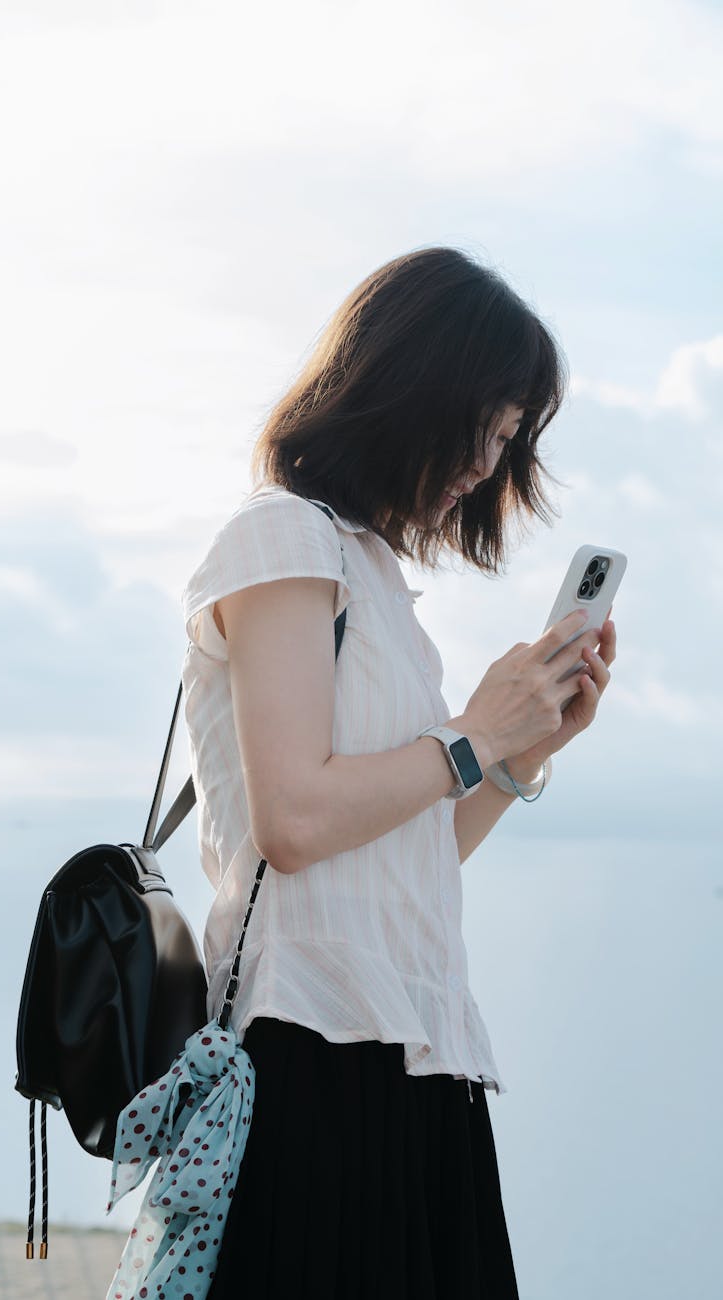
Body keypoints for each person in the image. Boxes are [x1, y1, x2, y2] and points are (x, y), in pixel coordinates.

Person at [180, 245, 617, 1299]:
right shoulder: (280, 536)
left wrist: (514, 755)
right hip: (311, 1060)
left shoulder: (373, 573)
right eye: (487, 418)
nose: (489, 455)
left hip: (416, 1053)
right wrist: (469, 733)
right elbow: (292, 820)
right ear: (410, 382)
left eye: (511, 434)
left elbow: (407, 845)